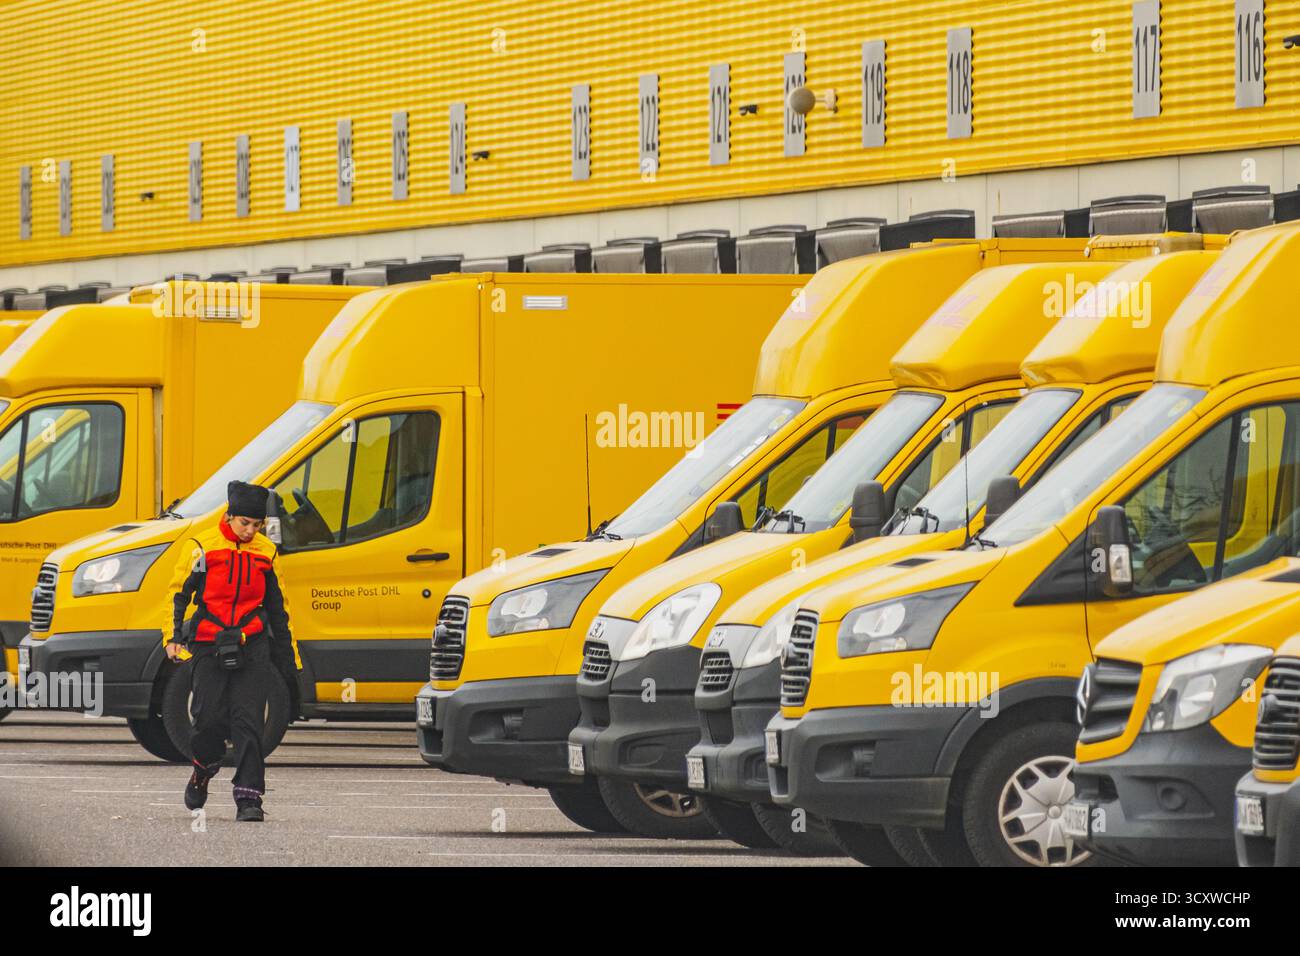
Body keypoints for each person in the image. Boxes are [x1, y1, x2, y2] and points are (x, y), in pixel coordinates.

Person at [162, 481, 299, 822]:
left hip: (252, 644)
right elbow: (177, 595)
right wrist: (173, 636)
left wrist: (288, 659)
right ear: (230, 515)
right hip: (208, 642)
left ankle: (248, 797)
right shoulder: (201, 547)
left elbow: (279, 610)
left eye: (258, 525)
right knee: (208, 719)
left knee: (249, 721)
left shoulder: (265, 552)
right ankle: (203, 769)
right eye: (245, 524)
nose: (251, 531)